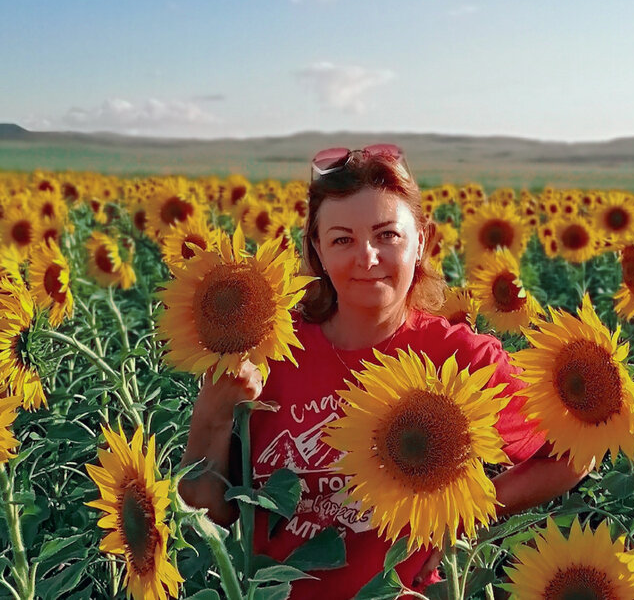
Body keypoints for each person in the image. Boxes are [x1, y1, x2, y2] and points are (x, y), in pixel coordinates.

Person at [178, 144, 589, 599]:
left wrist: (471, 512)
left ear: (422, 242)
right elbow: (205, 515)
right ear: (316, 248)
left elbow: (575, 452)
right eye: (342, 239)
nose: (366, 257)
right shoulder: (268, 348)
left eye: (387, 235)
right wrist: (212, 414)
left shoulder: (461, 360)